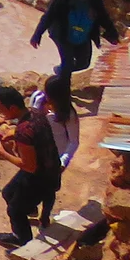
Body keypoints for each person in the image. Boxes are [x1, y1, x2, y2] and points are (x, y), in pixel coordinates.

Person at [0, 85, 61, 249]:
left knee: (14, 210)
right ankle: (30, 210)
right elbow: (34, 132)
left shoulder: (24, 132)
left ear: (12, 108)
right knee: (8, 193)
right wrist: (10, 134)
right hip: (52, 168)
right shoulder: (35, 113)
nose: (0, 112)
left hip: (39, 177)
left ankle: (23, 241)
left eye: (1, 108)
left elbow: (28, 166)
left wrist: (1, 153)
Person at [30, 0, 119, 75]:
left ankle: (59, 71)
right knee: (67, 63)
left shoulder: (95, 2)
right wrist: (37, 35)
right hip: (63, 35)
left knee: (83, 63)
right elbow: (48, 17)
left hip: (83, 35)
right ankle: (61, 82)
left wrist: (113, 34)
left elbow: (104, 19)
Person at [31, 72, 79, 226]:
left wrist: (64, 161)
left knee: (49, 189)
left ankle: (45, 216)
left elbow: (73, 141)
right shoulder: (38, 102)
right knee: (32, 182)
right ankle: (31, 207)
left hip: (56, 157)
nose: (47, 97)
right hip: (38, 152)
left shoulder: (68, 115)